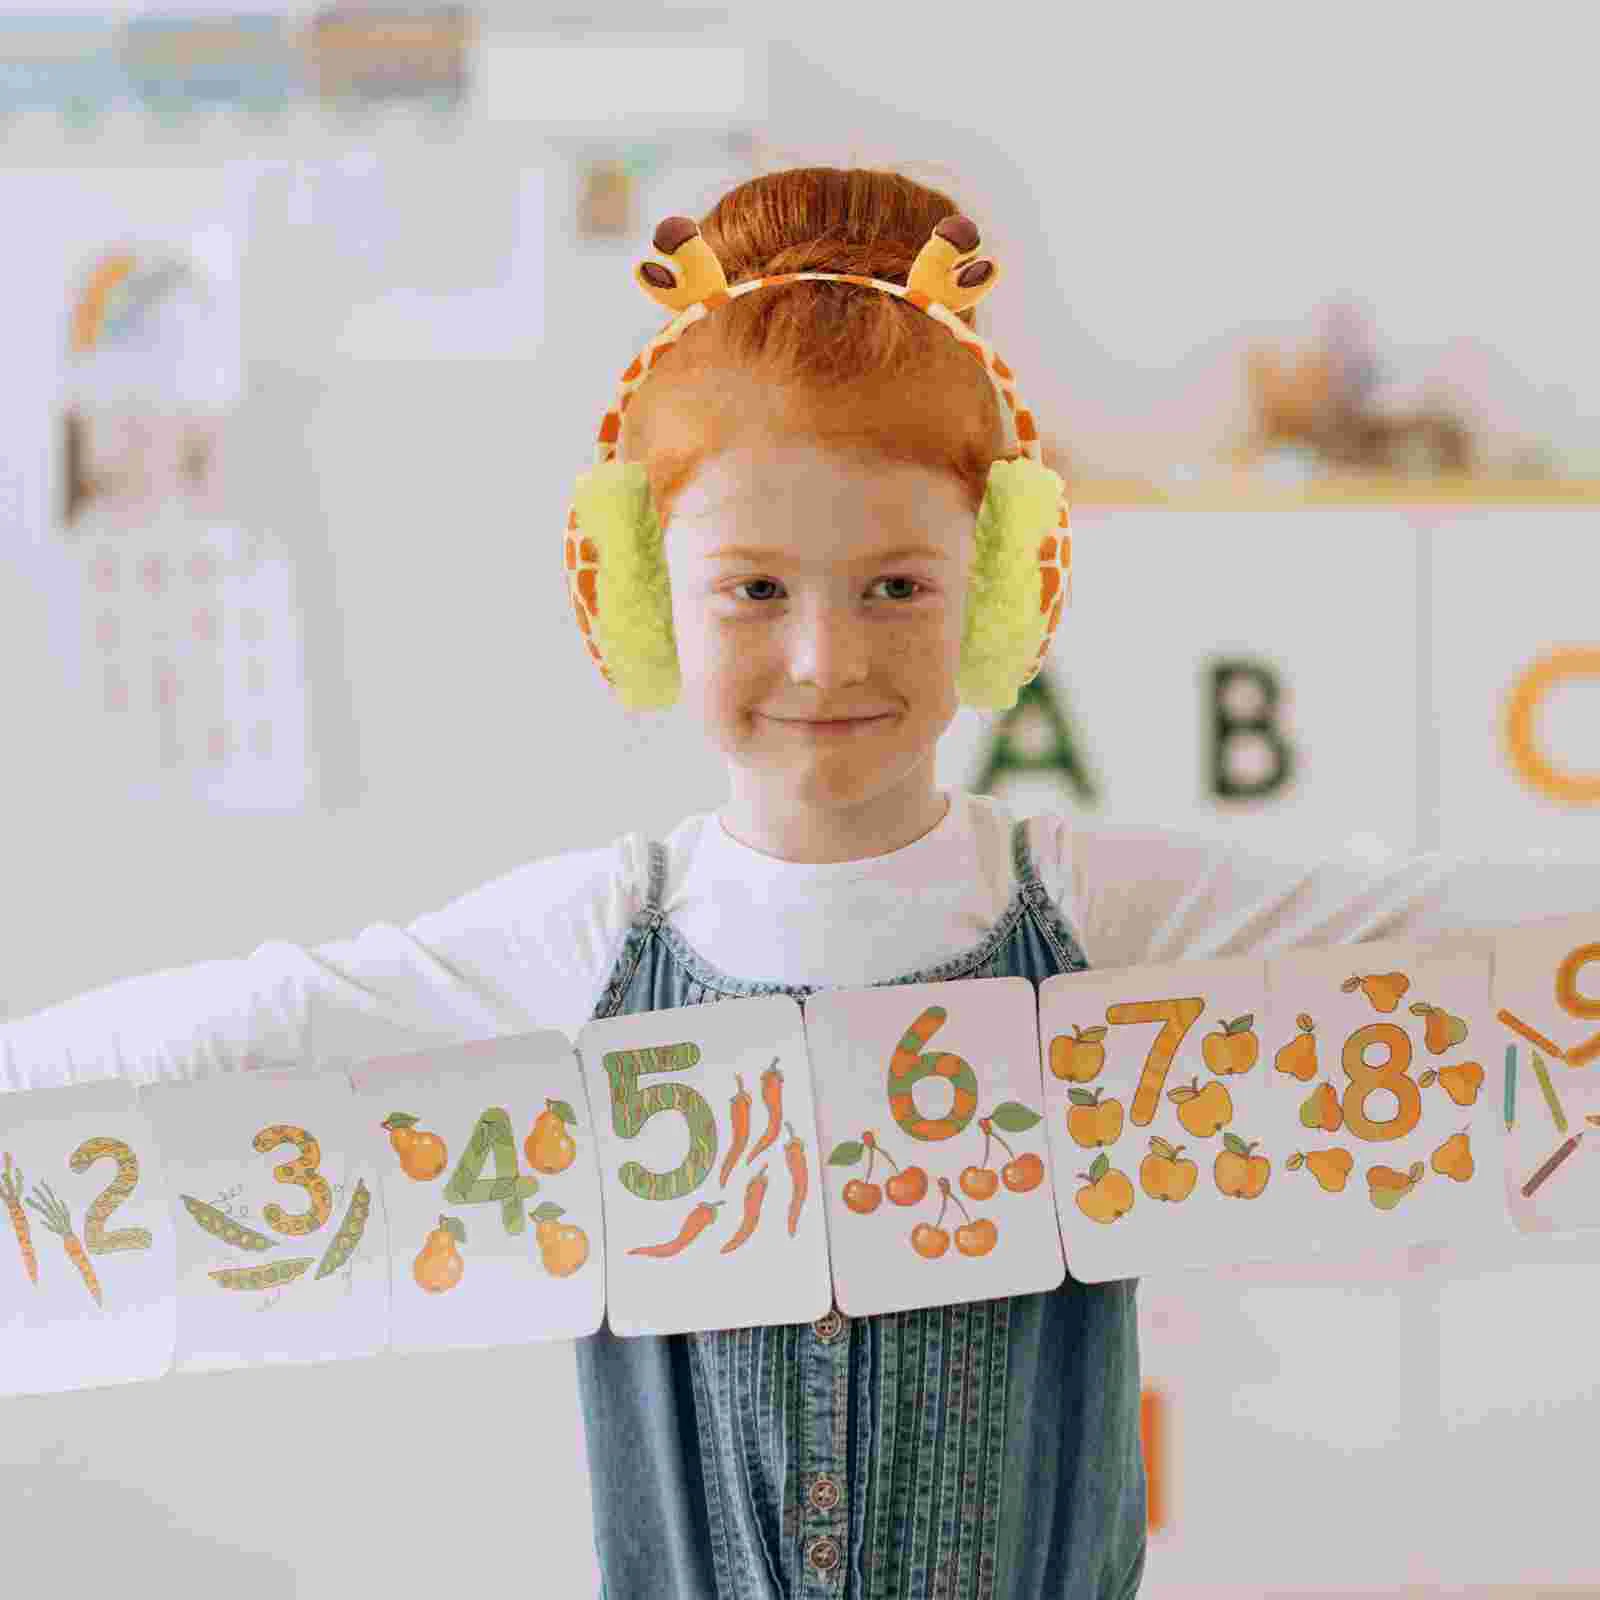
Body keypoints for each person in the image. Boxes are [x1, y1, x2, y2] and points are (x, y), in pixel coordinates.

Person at [4, 166, 1598, 1599]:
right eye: (753, 590)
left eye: (895, 586)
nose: (826, 655)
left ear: (998, 583)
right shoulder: (595, 935)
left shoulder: (1086, 910)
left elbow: (1440, 929)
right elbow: (271, 1020)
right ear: (640, 594)